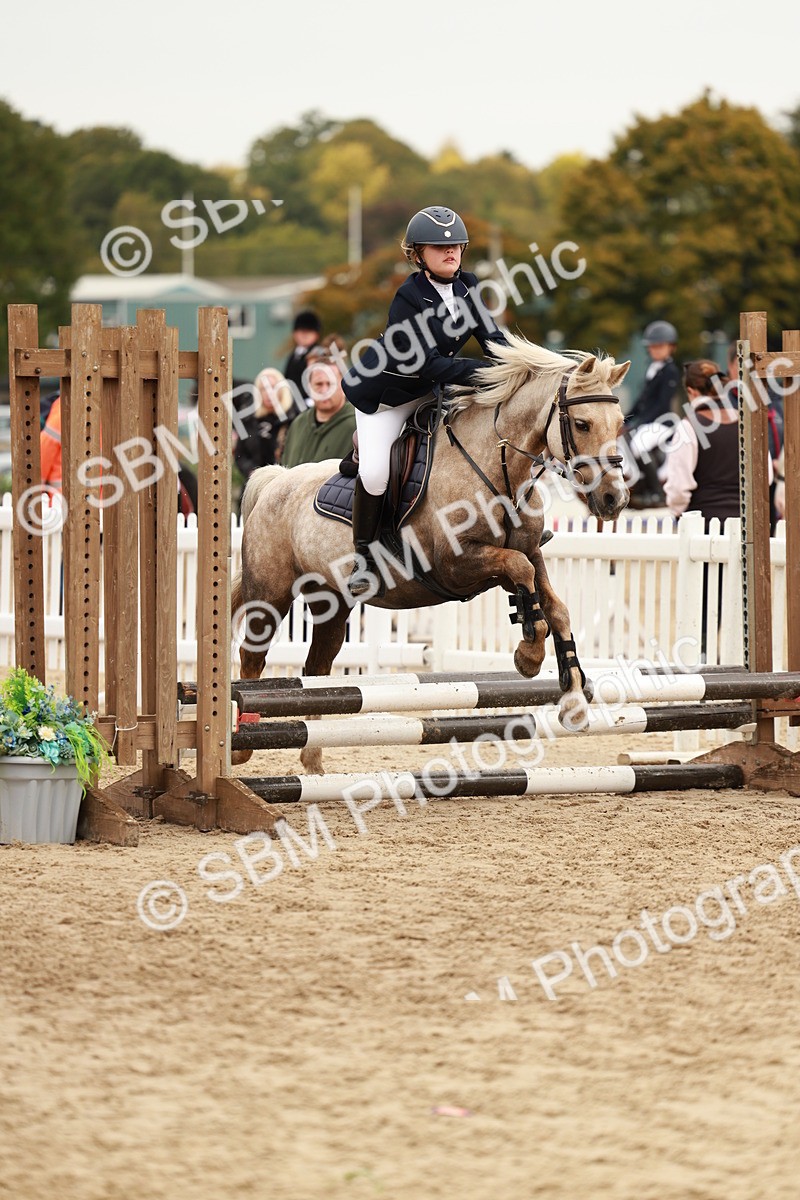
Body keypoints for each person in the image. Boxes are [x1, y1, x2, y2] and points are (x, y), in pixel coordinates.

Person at [341, 205, 509, 596]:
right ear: (418, 254)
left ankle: (513, 524)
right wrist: (482, 373)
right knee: (376, 473)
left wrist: (523, 367)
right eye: (438, 247)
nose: (450, 253)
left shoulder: (468, 287)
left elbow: (494, 341)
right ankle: (365, 557)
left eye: (456, 247)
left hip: (430, 392)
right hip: (385, 397)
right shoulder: (407, 298)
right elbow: (429, 363)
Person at [663, 360, 740, 525]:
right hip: (745, 525)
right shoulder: (746, 423)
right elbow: (766, 476)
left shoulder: (688, 425)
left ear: (691, 391)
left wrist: (678, 513)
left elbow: (678, 487)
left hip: (703, 526)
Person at [624, 320, 680, 507]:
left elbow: (662, 403)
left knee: (639, 445)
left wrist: (639, 423)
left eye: (660, 346)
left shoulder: (670, 371)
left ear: (671, 347)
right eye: (653, 346)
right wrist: (626, 419)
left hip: (662, 422)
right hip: (648, 421)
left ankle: (656, 492)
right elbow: (642, 401)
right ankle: (638, 485)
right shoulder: (652, 369)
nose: (655, 350)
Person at [281, 351, 356, 469]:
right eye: (319, 384)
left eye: (330, 384)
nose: (324, 390)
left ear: (343, 386)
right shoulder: (298, 424)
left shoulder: (357, 427)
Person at [233, 368, 298, 482]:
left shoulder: (294, 419)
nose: (269, 393)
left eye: (273, 387)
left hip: (284, 483)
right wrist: (252, 472)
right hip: (254, 484)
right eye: (264, 389)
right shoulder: (249, 419)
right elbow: (240, 455)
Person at [283, 311, 322, 399]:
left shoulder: (319, 354)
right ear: (295, 334)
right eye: (301, 331)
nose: (305, 335)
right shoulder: (293, 355)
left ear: (316, 334)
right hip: (292, 398)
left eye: (309, 331)